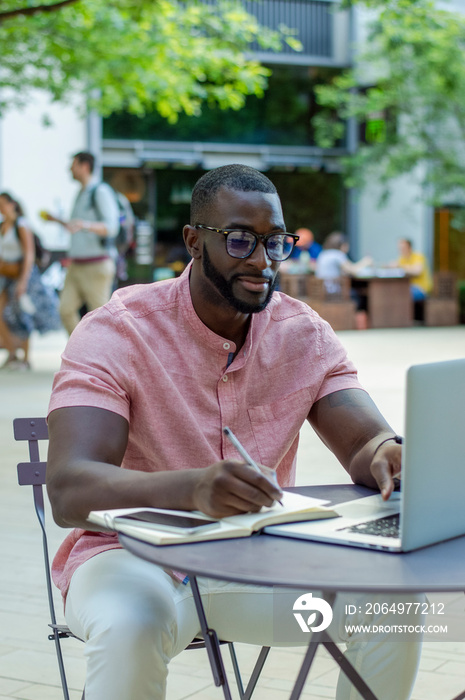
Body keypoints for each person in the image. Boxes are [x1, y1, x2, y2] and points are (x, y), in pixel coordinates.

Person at [46, 165, 423, 700]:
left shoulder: (302, 333)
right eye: (241, 240)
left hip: (259, 562)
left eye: (275, 242)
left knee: (393, 605)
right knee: (130, 624)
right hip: (132, 557)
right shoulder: (118, 329)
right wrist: (192, 488)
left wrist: (390, 453)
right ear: (194, 242)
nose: (262, 260)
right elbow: (69, 489)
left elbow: (366, 443)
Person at [43, 151, 120, 335]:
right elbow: (75, 227)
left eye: (74, 164)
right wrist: (58, 221)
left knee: (102, 318)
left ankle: (105, 358)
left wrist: (84, 224)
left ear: (85, 166)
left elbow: (112, 227)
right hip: (76, 265)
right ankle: (82, 355)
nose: (70, 169)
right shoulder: (81, 193)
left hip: (96, 265)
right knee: (65, 311)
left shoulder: (100, 191)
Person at [0, 192, 60, 370]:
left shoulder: (22, 225)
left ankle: (25, 358)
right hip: (6, 275)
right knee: (3, 313)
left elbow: (29, 254)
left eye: (3, 204)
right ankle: (12, 353)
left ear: (12, 204)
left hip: (22, 275)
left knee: (22, 314)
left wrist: (23, 282)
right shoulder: (3, 225)